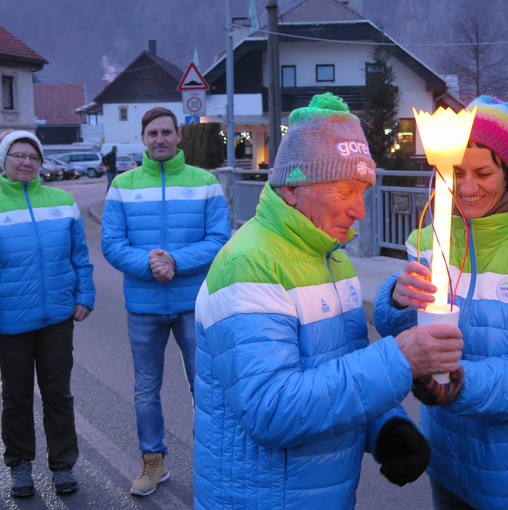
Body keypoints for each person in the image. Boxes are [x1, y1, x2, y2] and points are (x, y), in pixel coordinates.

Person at [193, 93, 464, 510]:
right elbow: (272, 409)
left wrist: (386, 428)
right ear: (292, 187)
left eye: (363, 191)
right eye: (344, 189)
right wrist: (399, 360)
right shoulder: (250, 265)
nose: (359, 209)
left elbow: (339, 369)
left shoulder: (333, 260)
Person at [373, 96, 508, 510]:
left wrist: (458, 385)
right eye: (457, 172)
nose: (467, 188)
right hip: (447, 461)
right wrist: (396, 301)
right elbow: (408, 335)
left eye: (483, 173)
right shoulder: (428, 239)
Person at [101, 106, 231, 497]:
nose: (160, 139)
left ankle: (213, 462)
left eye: (166, 132)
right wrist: (148, 264)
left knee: (205, 386)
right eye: (152, 133)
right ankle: (153, 462)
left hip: (195, 304)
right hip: (143, 306)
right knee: (145, 388)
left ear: (178, 136)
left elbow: (219, 238)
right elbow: (111, 243)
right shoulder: (122, 185)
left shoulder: (205, 182)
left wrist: (176, 261)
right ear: (143, 139)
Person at [0, 130, 96, 498]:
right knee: (17, 396)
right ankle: (20, 465)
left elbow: (79, 258)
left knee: (58, 394)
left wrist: (85, 295)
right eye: (17, 155)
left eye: (33, 157)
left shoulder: (62, 201)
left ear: (41, 162)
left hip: (56, 317)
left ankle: (63, 465)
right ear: (4, 160)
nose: (26, 162)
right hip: (8, 321)